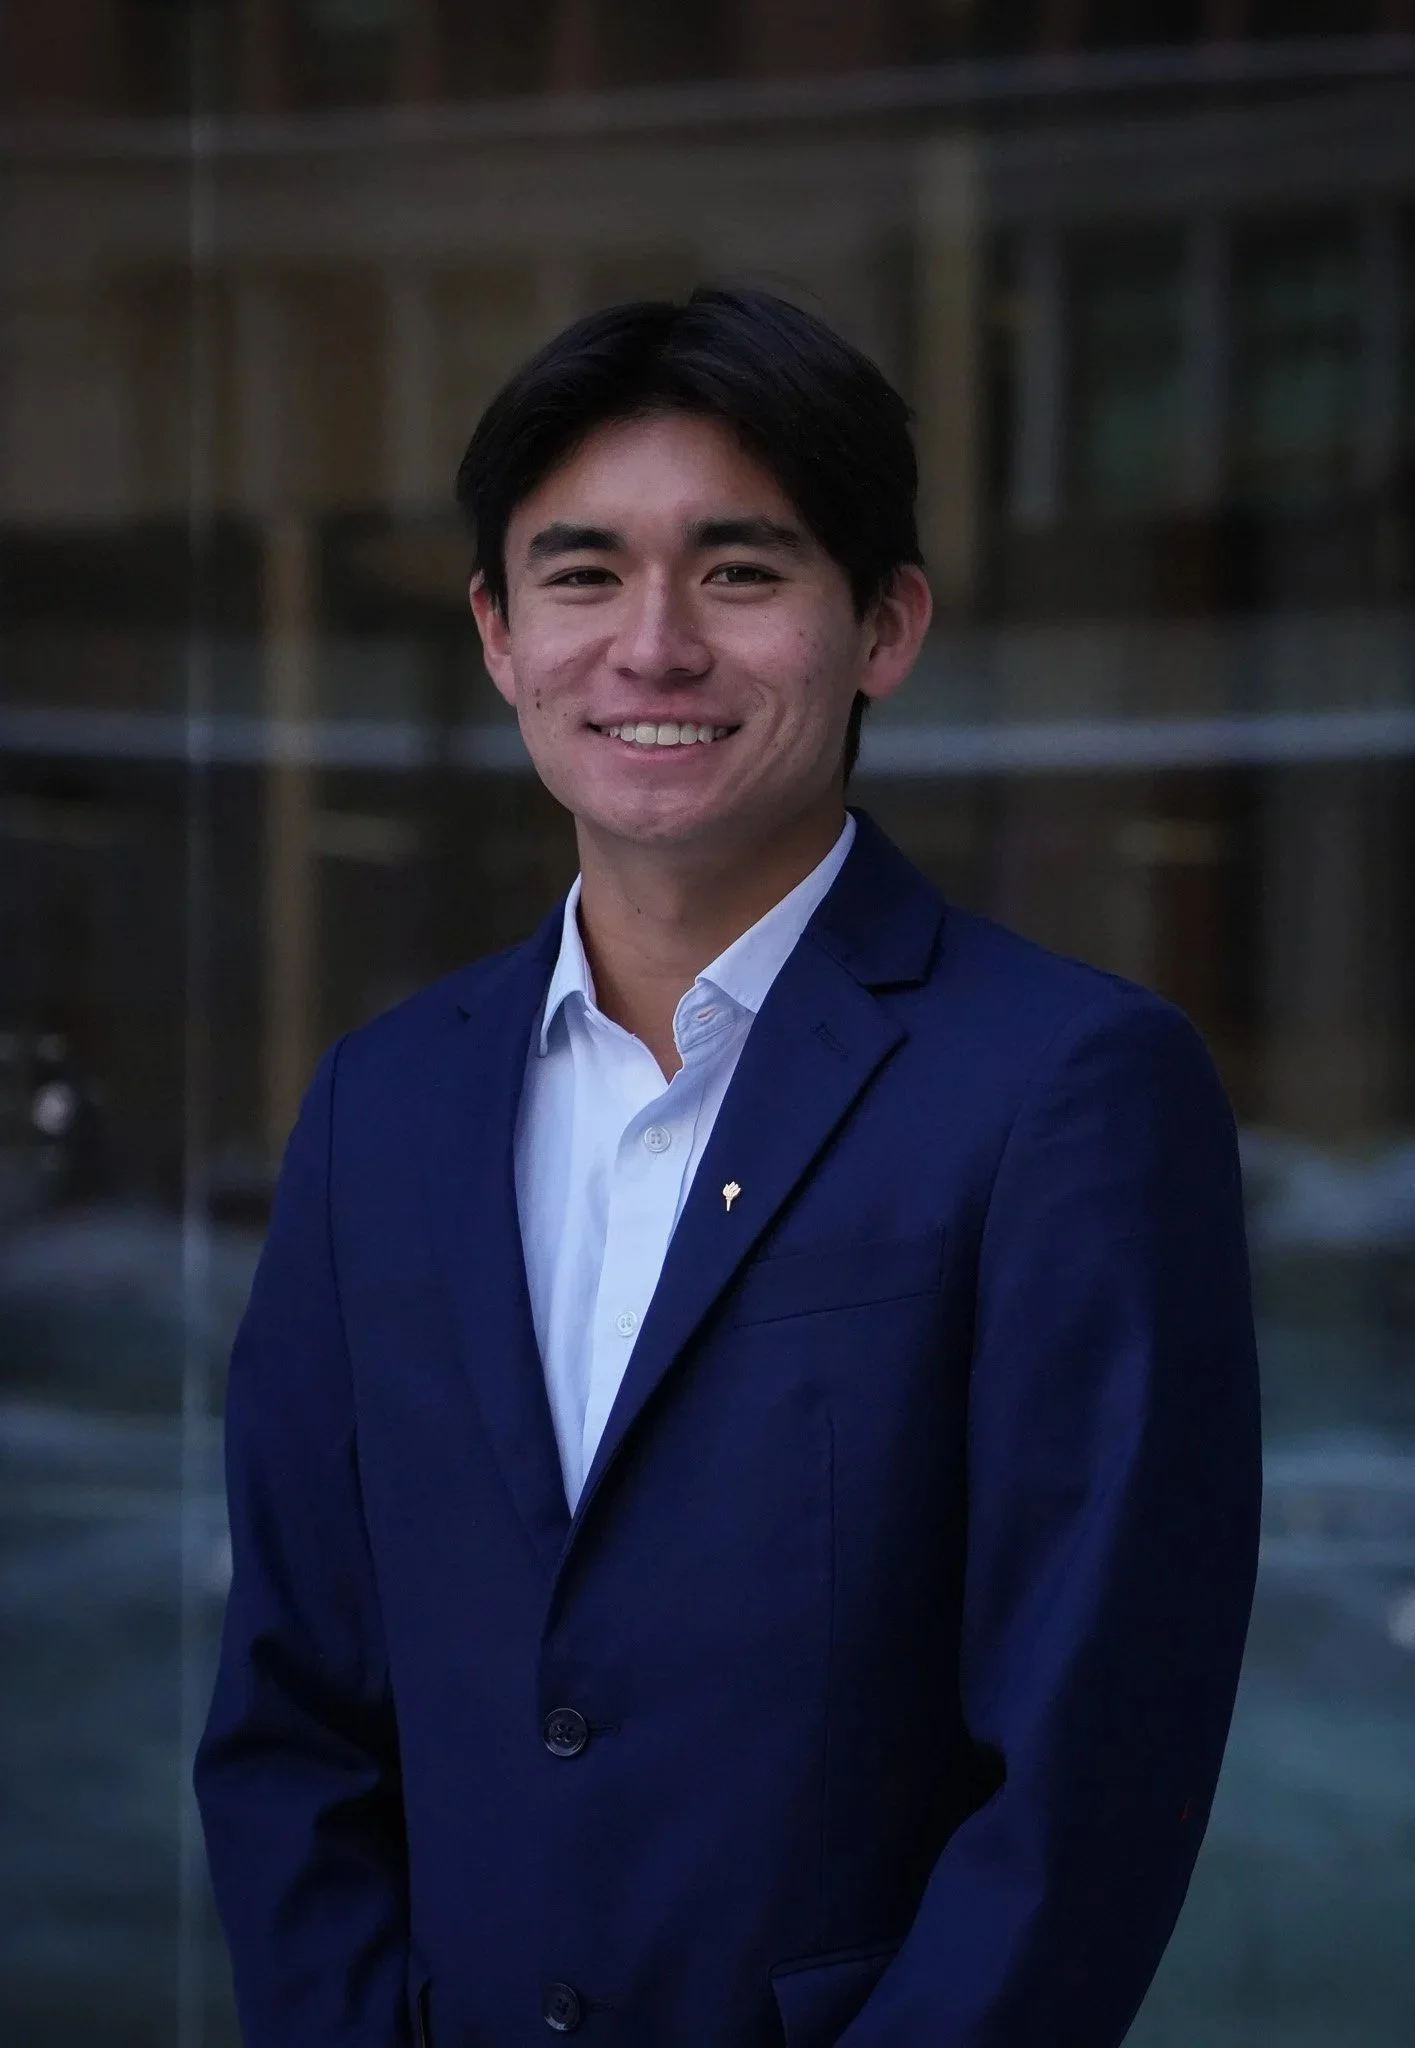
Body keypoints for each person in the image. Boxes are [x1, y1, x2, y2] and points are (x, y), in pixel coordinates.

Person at [195, 287, 1262, 2048]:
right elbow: (292, 1707)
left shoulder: (1066, 1087)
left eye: (740, 571)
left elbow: (1090, 1773)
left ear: (884, 626)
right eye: (582, 573)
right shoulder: (382, 1104)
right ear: (497, 634)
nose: (653, 645)